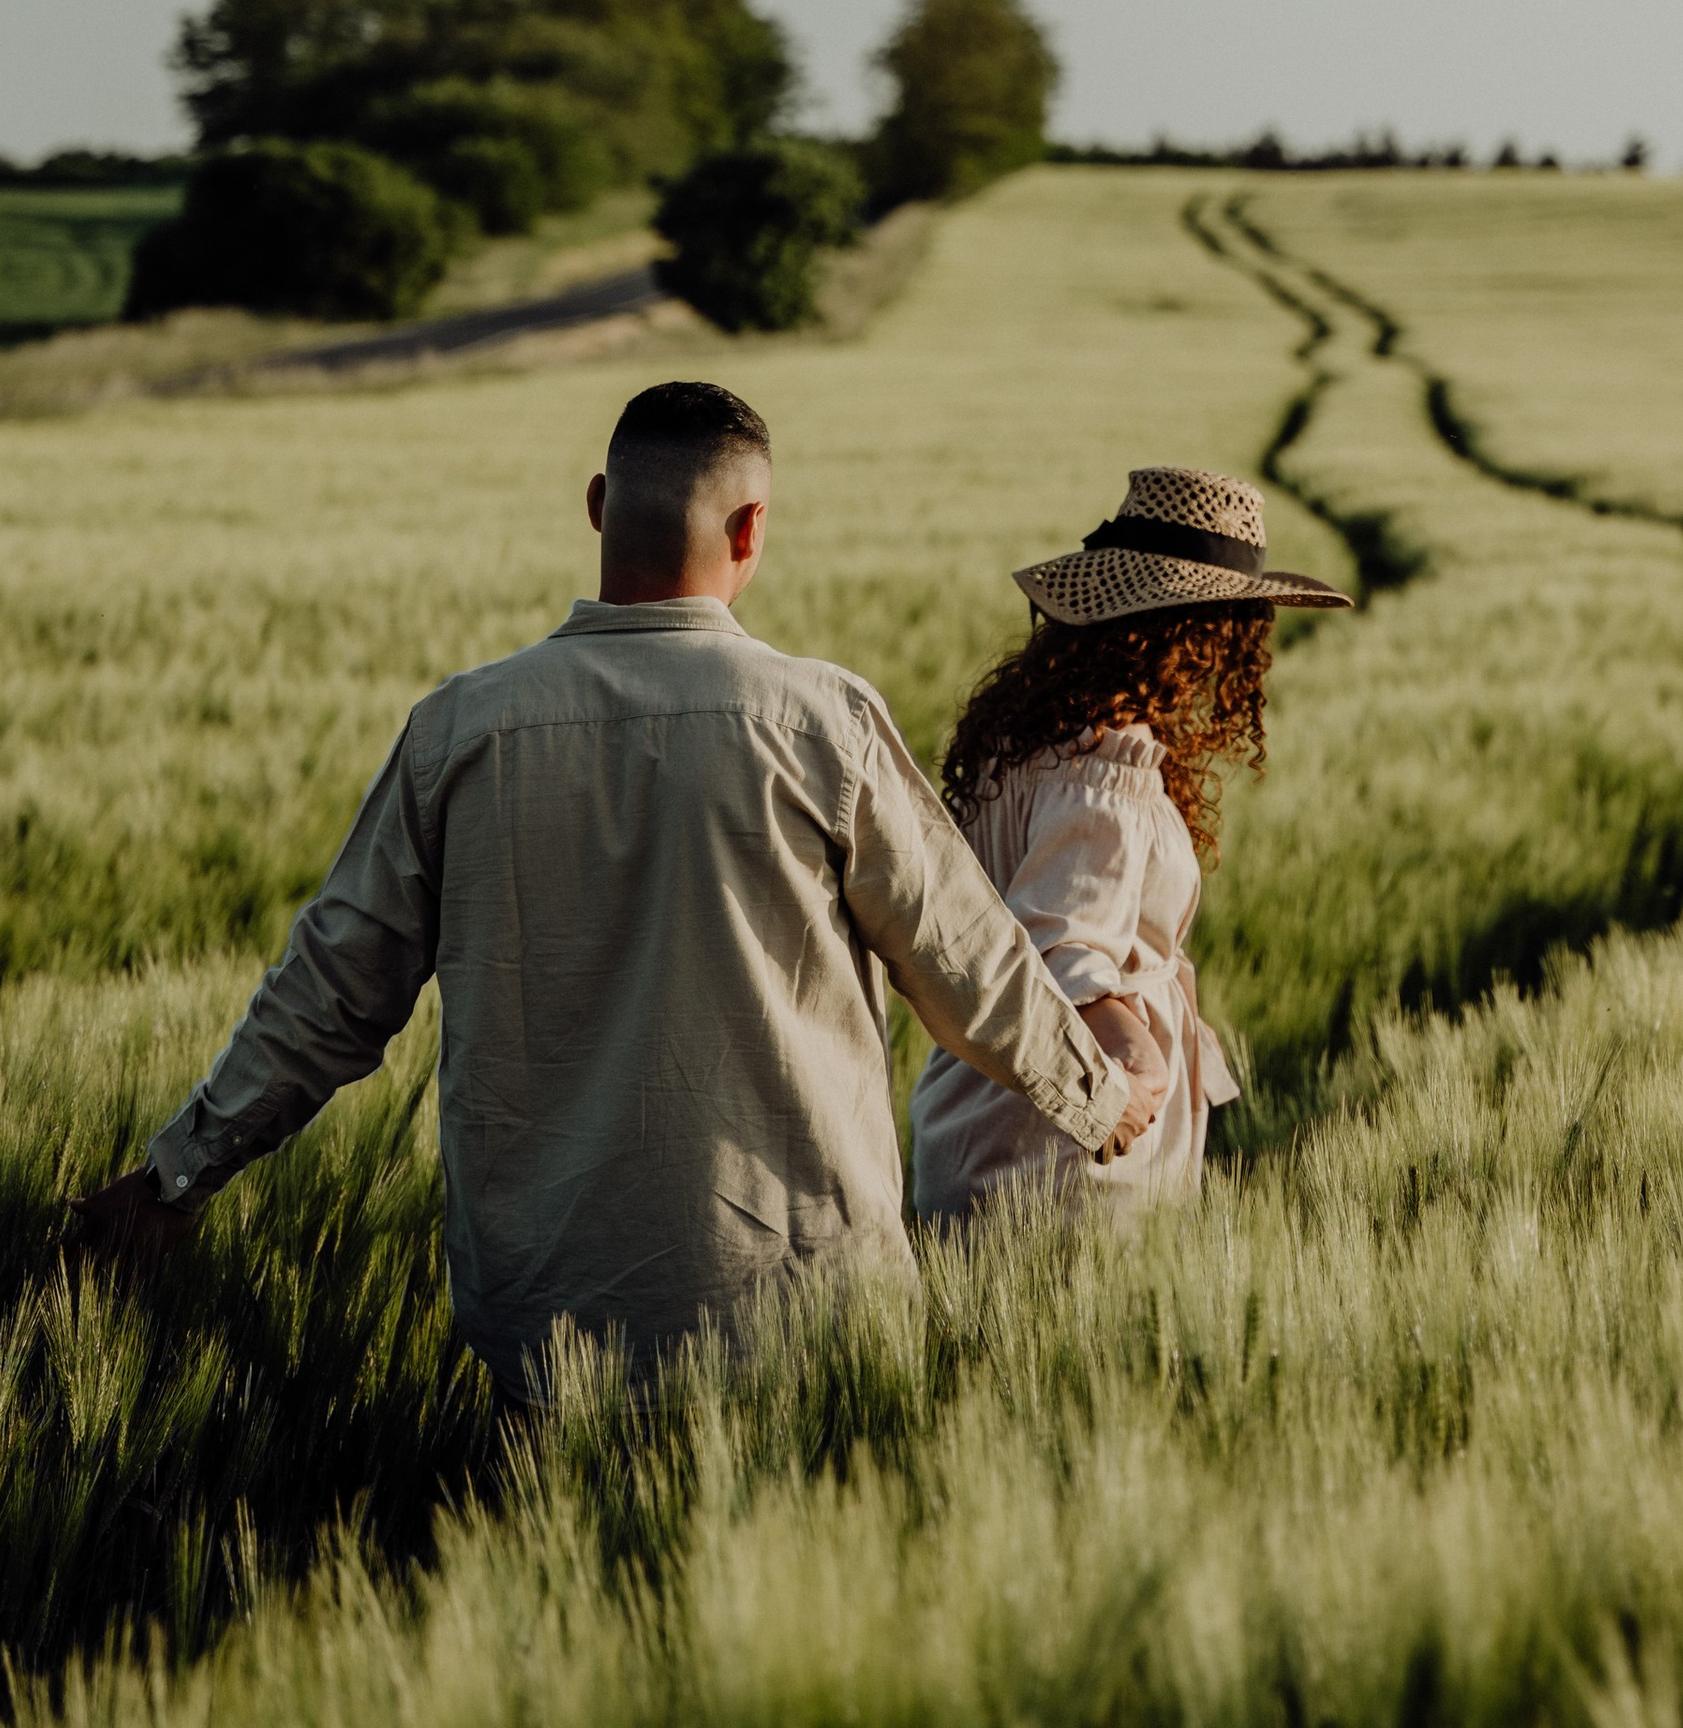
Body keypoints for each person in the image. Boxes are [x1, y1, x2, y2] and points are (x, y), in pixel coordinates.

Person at [66, 380, 1165, 1395]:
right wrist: (1098, 1100)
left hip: (545, 1324)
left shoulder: (461, 729)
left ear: (598, 506)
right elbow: (964, 965)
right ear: (751, 531)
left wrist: (174, 1177)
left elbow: (326, 996)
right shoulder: (820, 723)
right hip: (801, 1300)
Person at [909, 464, 1351, 1224]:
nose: (1230, 642)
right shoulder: (1104, 759)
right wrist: (1140, 1069)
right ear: (1185, 626)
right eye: (1229, 619)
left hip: (981, 1111)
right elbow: (1062, 946)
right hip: (1069, 1156)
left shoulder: (1025, 736)